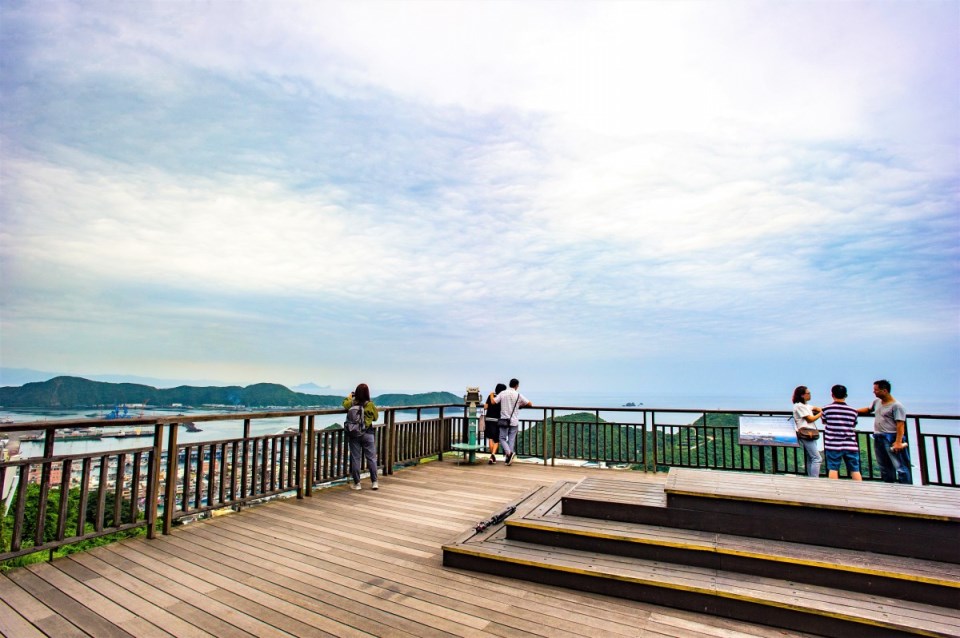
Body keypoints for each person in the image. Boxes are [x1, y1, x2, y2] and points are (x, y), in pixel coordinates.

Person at [858, 379, 911, 484]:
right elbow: (869, 409)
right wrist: (851, 411)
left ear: (885, 391)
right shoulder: (877, 402)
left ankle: (906, 488)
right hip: (878, 436)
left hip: (891, 437)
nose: (874, 392)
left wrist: (898, 442)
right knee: (884, 466)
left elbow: (900, 425)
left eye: (876, 390)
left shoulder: (897, 406)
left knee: (900, 466)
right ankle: (889, 486)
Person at [820, 385, 862, 480]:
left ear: (832, 394)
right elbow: (854, 424)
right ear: (846, 395)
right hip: (850, 444)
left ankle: (835, 491)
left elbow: (824, 421)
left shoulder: (826, 409)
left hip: (833, 444)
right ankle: (860, 490)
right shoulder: (853, 411)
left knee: (833, 469)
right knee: (855, 470)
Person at [342, 383, 380, 491]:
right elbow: (376, 418)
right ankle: (374, 482)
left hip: (354, 434)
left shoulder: (352, 403)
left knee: (355, 458)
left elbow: (344, 404)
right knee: (371, 458)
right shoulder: (370, 404)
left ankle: (357, 484)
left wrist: (350, 396)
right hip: (368, 434)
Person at [493, 378, 532, 466]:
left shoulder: (503, 393)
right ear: (516, 386)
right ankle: (509, 456)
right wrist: (520, 405)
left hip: (504, 420)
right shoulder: (518, 395)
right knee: (511, 440)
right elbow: (530, 404)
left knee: (502, 438)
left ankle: (508, 454)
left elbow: (494, 401)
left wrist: (492, 395)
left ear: (510, 384)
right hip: (514, 421)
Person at [791, 385, 822, 477]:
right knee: (817, 458)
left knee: (811, 457)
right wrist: (821, 414)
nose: (810, 395)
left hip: (811, 433)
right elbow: (810, 419)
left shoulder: (806, 406)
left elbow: (816, 408)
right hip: (805, 433)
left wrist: (821, 410)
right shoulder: (799, 406)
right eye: (808, 393)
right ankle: (814, 480)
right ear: (802, 395)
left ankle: (811, 478)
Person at [483, 383, 507, 464]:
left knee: (490, 438)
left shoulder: (491, 396)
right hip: (498, 420)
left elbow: (485, 407)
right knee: (496, 439)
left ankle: (492, 457)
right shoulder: (502, 397)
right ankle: (492, 455)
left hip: (489, 419)